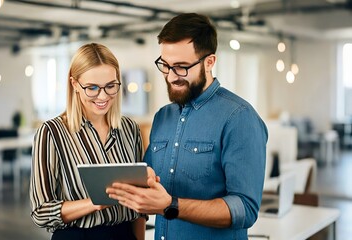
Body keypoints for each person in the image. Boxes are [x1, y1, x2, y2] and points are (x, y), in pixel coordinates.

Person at [107, 13, 268, 239]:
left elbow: (245, 209)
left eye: (181, 67)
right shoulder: (163, 117)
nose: (171, 76)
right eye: (165, 65)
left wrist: (170, 205)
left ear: (209, 62)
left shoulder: (239, 118)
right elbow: (148, 181)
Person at [30, 43, 146, 240]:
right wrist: (96, 202)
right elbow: (41, 211)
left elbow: (138, 210)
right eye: (92, 87)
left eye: (110, 86)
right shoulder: (52, 132)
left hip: (125, 234)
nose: (103, 96)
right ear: (75, 84)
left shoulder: (130, 129)